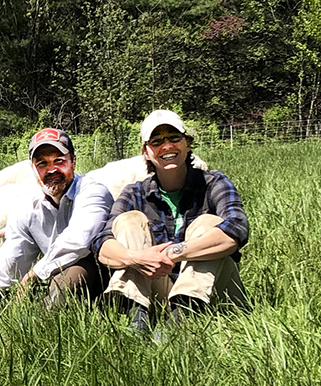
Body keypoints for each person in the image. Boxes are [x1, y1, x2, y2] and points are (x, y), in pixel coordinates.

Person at [0, 127, 115, 321]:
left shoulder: (92, 191)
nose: (51, 170)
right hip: (49, 276)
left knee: (68, 279)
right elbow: (9, 266)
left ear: (73, 162)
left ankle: (43, 327)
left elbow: (78, 241)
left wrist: (35, 273)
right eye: (42, 163)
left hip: (99, 274)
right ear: (33, 169)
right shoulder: (29, 208)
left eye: (59, 161)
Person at [96, 109, 250, 336]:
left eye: (174, 138)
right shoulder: (135, 193)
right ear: (146, 152)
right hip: (161, 288)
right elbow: (102, 245)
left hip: (217, 292)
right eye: (157, 141)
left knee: (208, 223)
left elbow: (237, 229)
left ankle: (180, 322)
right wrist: (138, 258)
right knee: (128, 220)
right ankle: (138, 320)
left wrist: (173, 254)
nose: (166, 146)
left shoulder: (214, 183)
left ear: (187, 144)